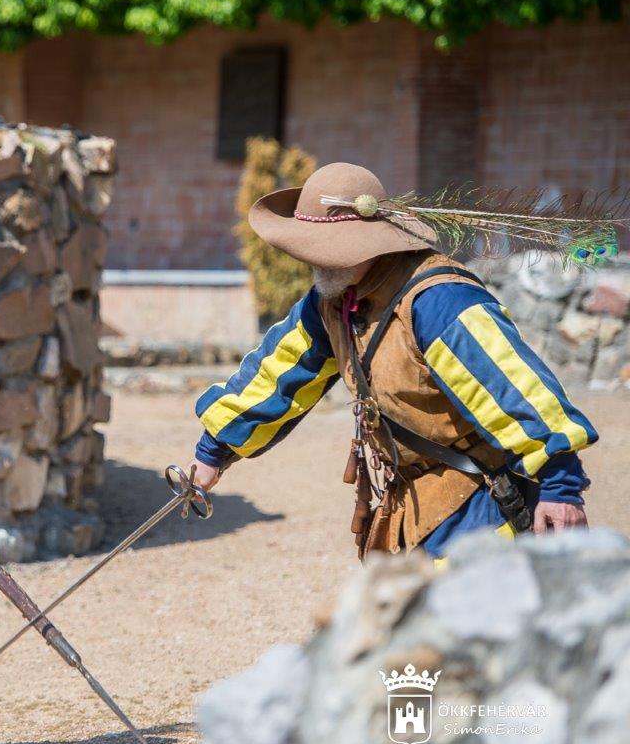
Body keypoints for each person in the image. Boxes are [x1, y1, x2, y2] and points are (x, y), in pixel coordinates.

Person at [187, 162, 597, 560]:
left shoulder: (441, 301)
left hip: (483, 505)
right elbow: (278, 375)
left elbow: (516, 390)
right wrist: (213, 453)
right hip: (412, 504)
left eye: (326, 249)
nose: (312, 260)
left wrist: (560, 487)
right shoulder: (331, 301)